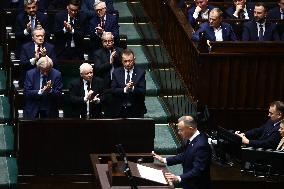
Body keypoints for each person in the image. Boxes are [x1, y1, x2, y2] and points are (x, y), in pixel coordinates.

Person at [153, 116, 212, 189]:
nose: (179, 132)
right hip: (189, 183)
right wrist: (164, 160)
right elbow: (185, 155)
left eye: (181, 130)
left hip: (197, 185)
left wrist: (179, 177)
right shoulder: (193, 138)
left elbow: (198, 170)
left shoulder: (201, 146)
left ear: (190, 129)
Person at [111, 49, 146, 118]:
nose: (127, 63)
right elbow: (113, 90)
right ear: (121, 61)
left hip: (136, 110)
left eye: (130, 61)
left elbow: (143, 91)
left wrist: (132, 88)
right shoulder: (116, 72)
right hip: (119, 110)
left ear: (134, 59)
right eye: (125, 61)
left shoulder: (140, 72)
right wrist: (125, 89)